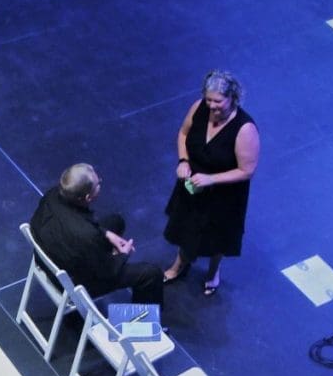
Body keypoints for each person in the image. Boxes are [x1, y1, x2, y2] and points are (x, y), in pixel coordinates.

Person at [162, 70, 260, 296]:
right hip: (193, 183)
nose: (212, 106)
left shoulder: (245, 129)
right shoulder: (199, 108)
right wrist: (183, 160)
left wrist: (211, 179)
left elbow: (247, 170)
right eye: (209, 100)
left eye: (218, 101)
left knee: (217, 238)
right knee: (187, 226)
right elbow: (184, 134)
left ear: (232, 98)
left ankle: (213, 271)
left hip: (223, 194)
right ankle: (179, 264)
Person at [30, 163, 164, 305]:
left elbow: (83, 226)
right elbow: (106, 272)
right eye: (98, 183)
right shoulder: (86, 236)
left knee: (116, 221)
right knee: (151, 274)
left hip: (49, 258)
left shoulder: (51, 195)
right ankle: (144, 323)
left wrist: (106, 233)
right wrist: (122, 255)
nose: (100, 182)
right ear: (88, 197)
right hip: (74, 282)